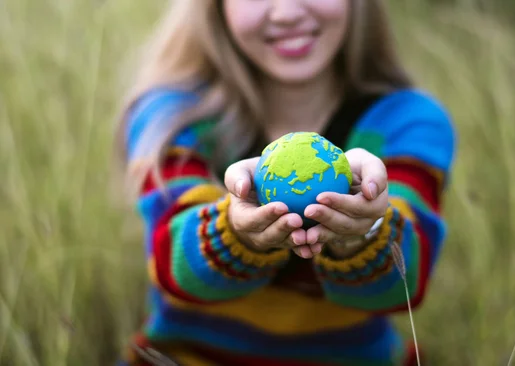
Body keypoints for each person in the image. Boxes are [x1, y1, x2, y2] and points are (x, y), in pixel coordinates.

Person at [115, 0, 456, 365]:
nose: (287, 12)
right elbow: (172, 264)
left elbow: (404, 286)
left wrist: (362, 230)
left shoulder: (409, 122)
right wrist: (235, 231)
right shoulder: (170, 116)